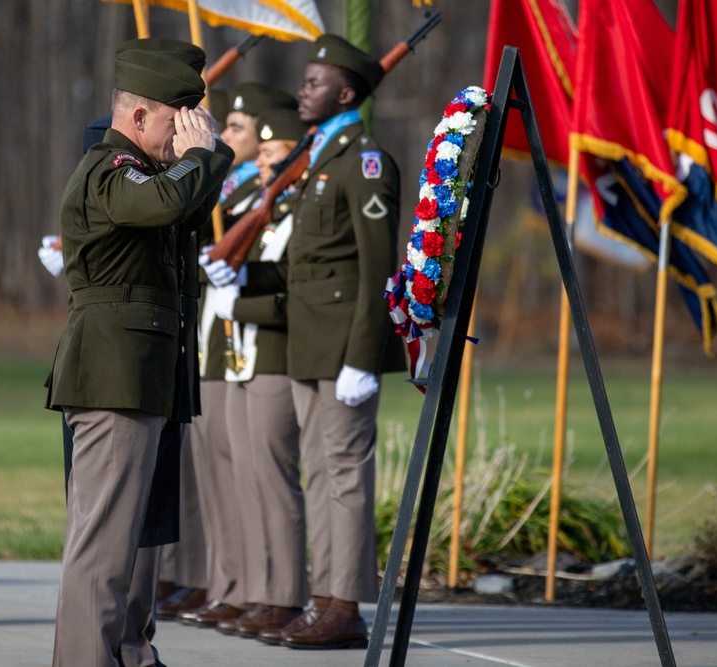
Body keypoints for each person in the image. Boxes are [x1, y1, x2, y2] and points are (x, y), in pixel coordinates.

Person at [44, 39, 233, 667]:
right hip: (112, 381)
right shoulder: (108, 170)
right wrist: (200, 154)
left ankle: (129, 654)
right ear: (140, 117)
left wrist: (210, 152)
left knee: (140, 540)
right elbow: (167, 202)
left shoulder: (152, 176)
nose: (179, 136)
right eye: (173, 120)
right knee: (102, 548)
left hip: (147, 379)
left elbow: (189, 204)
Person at [266, 34, 406, 649]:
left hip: (345, 346)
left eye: (316, 82)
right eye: (305, 79)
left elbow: (379, 268)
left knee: (344, 472)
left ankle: (345, 606)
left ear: (346, 93)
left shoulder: (364, 162)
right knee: (320, 473)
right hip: (308, 343)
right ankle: (324, 597)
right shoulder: (319, 158)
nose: (303, 89)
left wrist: (364, 357)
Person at [176, 82, 297, 630]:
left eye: (237, 131)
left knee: (258, 479)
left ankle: (267, 590)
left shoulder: (267, 200)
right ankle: (234, 585)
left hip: (255, 353)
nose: (228, 137)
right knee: (224, 480)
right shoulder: (236, 199)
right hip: (219, 351)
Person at [205, 107, 312, 639]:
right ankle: (256, 591)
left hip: (274, 354)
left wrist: (237, 302)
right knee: (247, 482)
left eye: (276, 153)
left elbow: (293, 292)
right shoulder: (267, 208)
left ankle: (284, 594)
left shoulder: (294, 210)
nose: (268, 163)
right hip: (244, 354)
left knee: (271, 482)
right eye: (264, 154)